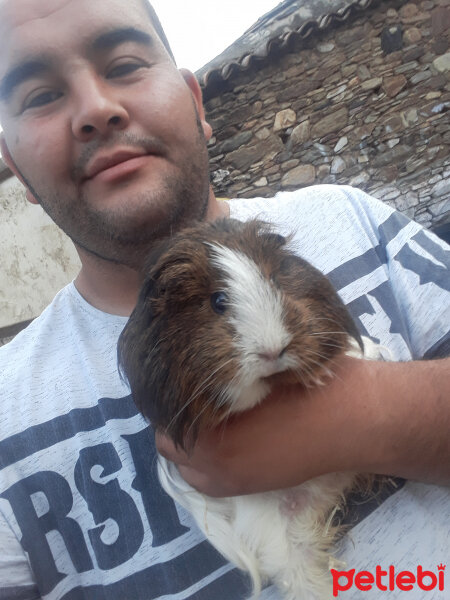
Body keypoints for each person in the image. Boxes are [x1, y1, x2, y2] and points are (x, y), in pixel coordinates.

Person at [0, 0, 448, 598]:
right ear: (14, 169)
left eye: (126, 63)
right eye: (40, 95)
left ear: (197, 102)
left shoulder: (351, 219)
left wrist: (369, 416)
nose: (97, 110)